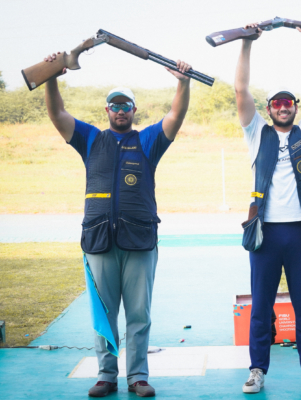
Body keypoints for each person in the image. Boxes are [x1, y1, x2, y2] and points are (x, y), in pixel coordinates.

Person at [43, 53, 192, 397]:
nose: (120, 110)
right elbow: (57, 114)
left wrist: (183, 83)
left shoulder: (148, 140)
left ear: (134, 110)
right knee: (104, 313)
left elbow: (175, 115)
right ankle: (106, 376)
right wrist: (50, 78)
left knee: (138, 314)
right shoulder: (90, 138)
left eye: (126, 105)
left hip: (139, 240)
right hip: (98, 240)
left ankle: (137, 377)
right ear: (107, 110)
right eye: (115, 105)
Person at [234, 21, 301, 393]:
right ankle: (257, 370)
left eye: (288, 103)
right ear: (268, 108)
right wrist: (246, 43)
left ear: (295, 108)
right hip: (265, 233)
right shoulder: (256, 132)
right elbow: (241, 89)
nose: (283, 107)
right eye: (276, 103)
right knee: (261, 308)